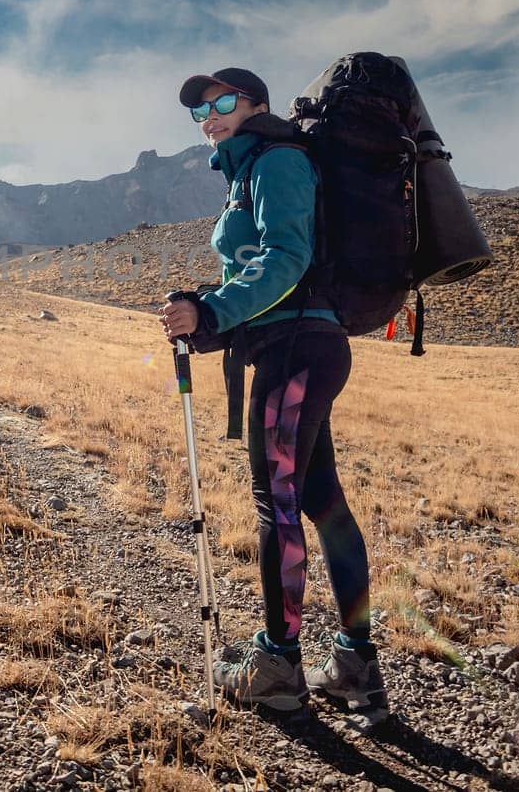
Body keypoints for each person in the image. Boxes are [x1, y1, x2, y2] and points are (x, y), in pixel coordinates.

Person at [158, 67, 387, 720]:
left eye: (224, 101)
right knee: (319, 498)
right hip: (301, 347)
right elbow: (271, 273)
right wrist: (210, 322)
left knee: (277, 505)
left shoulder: (277, 160)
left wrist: (211, 310)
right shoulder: (256, 167)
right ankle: (354, 662)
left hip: (295, 353)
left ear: (256, 103)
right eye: (201, 110)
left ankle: (280, 664)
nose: (211, 115)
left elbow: (284, 261)